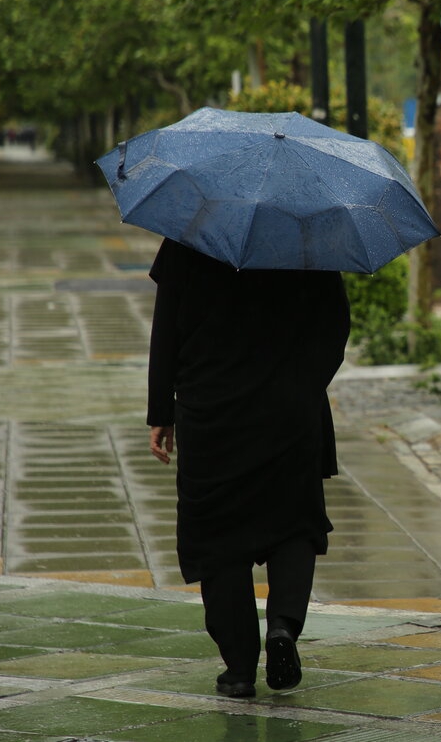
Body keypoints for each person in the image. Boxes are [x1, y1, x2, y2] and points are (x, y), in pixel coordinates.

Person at [146, 237, 350, 698]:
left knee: (216, 534)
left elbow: (166, 330)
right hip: (291, 411)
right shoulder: (305, 238)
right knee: (294, 522)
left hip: (212, 411)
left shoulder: (191, 234)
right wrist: (302, 384)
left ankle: (239, 668)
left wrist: (161, 411)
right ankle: (282, 627)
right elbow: (336, 326)